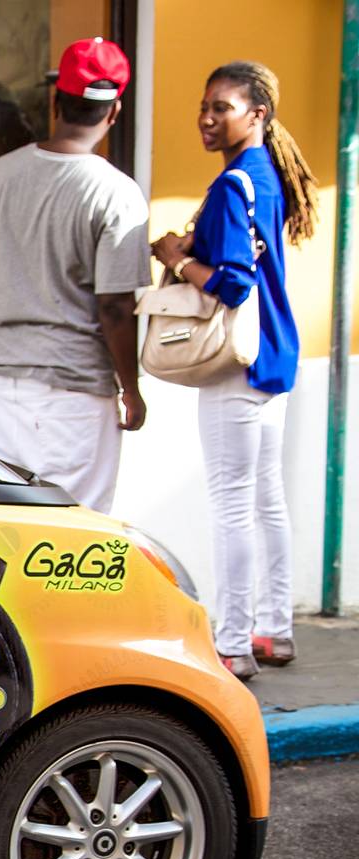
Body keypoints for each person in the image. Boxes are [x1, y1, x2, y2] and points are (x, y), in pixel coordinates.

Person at [151, 62, 316, 679]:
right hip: (272, 358)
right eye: (205, 105)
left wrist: (175, 257)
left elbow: (233, 284)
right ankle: (274, 630)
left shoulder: (231, 187)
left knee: (231, 505)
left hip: (234, 365)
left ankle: (233, 644)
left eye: (223, 107)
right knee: (266, 501)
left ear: (258, 115)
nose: (208, 117)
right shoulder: (264, 176)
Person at [0, 37, 149, 513]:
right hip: (74, 393)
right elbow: (116, 306)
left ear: (56, 101)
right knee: (77, 540)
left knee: (5, 532)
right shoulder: (117, 194)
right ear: (115, 111)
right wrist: (132, 387)